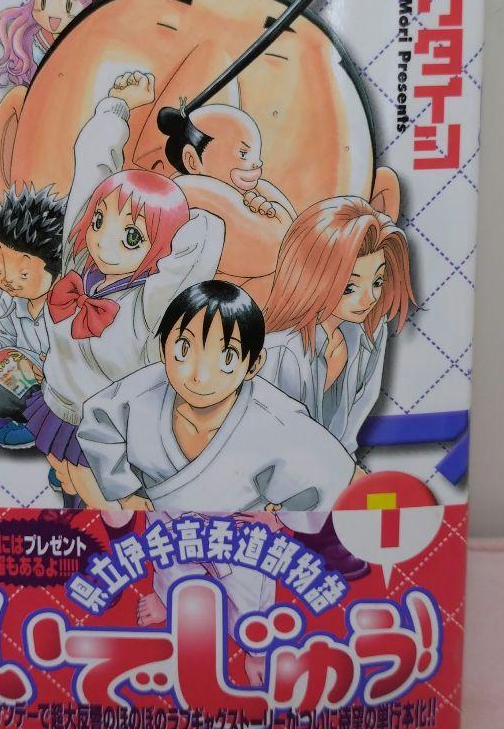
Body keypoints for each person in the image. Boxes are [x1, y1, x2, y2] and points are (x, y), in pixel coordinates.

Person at [77, 281, 355, 680]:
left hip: (239, 531)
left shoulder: (275, 417)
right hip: (168, 518)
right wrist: (125, 489)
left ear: (252, 364)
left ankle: (256, 649)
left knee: (249, 598)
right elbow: (97, 423)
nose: (199, 373)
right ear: (163, 347)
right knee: (171, 571)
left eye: (225, 356)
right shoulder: (140, 392)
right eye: (183, 349)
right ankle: (167, 599)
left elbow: (331, 470)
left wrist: (281, 517)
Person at [20, 72, 225, 508]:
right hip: (61, 408)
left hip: (115, 430)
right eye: (99, 222)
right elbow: (90, 170)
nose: (104, 242)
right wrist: (116, 107)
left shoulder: (150, 302)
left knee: (112, 509)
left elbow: (201, 242)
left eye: (131, 237)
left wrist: (194, 194)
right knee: (73, 489)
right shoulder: (79, 263)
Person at [259, 196, 415, 576]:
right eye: (349, 286)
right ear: (313, 277)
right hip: (269, 483)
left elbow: (356, 416)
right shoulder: (279, 350)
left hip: (332, 481)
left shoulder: (369, 335)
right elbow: (272, 439)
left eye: (377, 281)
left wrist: (345, 481)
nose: (368, 298)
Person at [0, 185, 65, 448]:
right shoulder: (11, 300)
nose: (9, 281)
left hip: (61, 383)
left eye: (23, 275)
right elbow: (7, 335)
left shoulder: (67, 304)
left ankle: (48, 427)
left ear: (56, 270)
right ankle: (30, 419)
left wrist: (47, 370)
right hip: (25, 377)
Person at [158, 104, 296, 222]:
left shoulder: (260, 190)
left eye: (256, 154)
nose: (258, 163)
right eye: (243, 154)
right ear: (193, 161)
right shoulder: (185, 193)